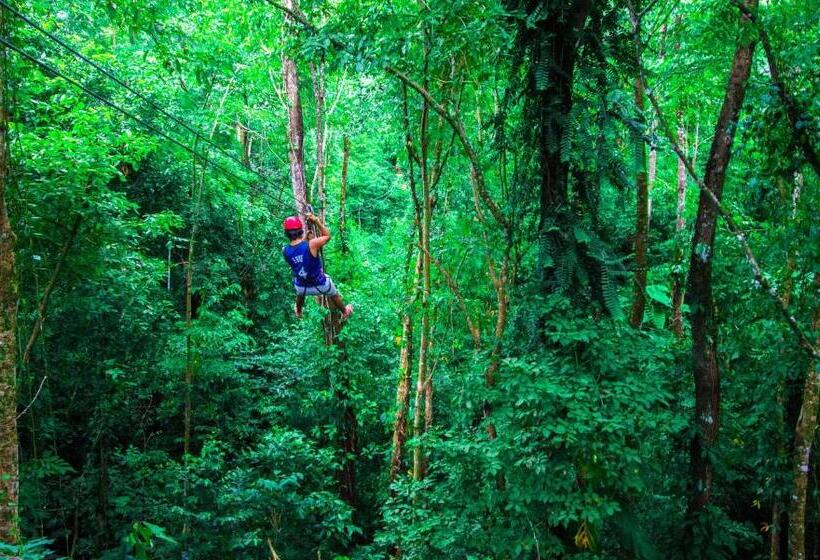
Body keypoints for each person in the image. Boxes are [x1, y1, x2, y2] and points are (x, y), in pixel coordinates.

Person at [282, 213, 353, 320]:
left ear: (286, 233)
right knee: (333, 293)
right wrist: (316, 221)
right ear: (300, 230)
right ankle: (344, 311)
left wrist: (306, 239)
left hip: (303, 287)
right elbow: (327, 236)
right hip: (321, 285)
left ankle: (299, 311)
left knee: (299, 290)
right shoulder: (312, 244)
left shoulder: (285, 250)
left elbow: (298, 253)